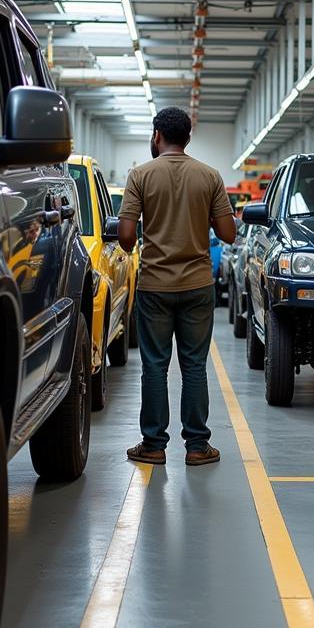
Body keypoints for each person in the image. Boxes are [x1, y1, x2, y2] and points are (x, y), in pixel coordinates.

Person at [117, 107, 236, 467]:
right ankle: (197, 446)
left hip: (155, 285)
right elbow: (229, 234)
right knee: (194, 365)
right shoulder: (210, 176)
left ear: (157, 136)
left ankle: (153, 445)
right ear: (187, 138)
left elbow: (124, 237)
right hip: (198, 284)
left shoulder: (140, 175)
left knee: (154, 365)